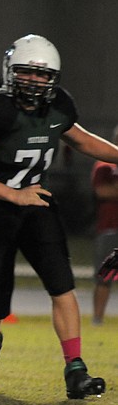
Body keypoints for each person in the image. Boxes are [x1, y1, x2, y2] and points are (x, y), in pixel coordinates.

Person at [0, 34, 112, 399]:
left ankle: (76, 369)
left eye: (42, 76)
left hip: (35, 204)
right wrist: (13, 194)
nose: (35, 82)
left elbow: (84, 142)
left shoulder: (58, 107)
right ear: (10, 73)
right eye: (26, 74)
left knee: (62, 284)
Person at [89, 126, 118, 326]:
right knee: (105, 275)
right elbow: (103, 191)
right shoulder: (105, 164)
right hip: (110, 227)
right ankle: (97, 319)